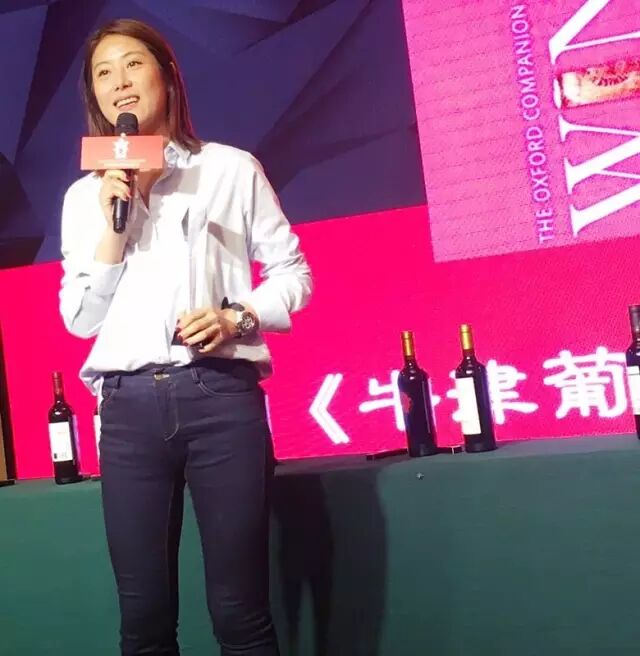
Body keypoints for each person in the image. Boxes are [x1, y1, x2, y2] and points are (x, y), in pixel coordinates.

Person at [59, 18, 312, 656]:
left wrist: (236, 317)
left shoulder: (228, 169)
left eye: (132, 65)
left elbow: (294, 275)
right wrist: (112, 230)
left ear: (167, 77)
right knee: (143, 620)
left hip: (219, 397)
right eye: (103, 73)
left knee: (239, 613)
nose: (119, 83)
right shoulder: (85, 198)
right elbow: (80, 319)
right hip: (127, 414)